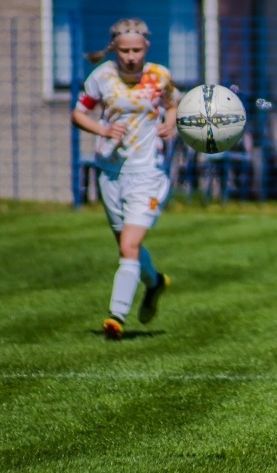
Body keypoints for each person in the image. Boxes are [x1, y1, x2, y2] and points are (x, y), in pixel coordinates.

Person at [71, 18, 179, 340]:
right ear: (114, 49)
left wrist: (170, 123)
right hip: (111, 173)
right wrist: (103, 129)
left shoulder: (159, 76)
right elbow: (78, 113)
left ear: (146, 46)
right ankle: (155, 282)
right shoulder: (101, 77)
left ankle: (116, 316)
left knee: (129, 245)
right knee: (127, 246)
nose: (131, 56)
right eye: (124, 50)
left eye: (136, 50)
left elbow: (172, 104)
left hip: (148, 174)